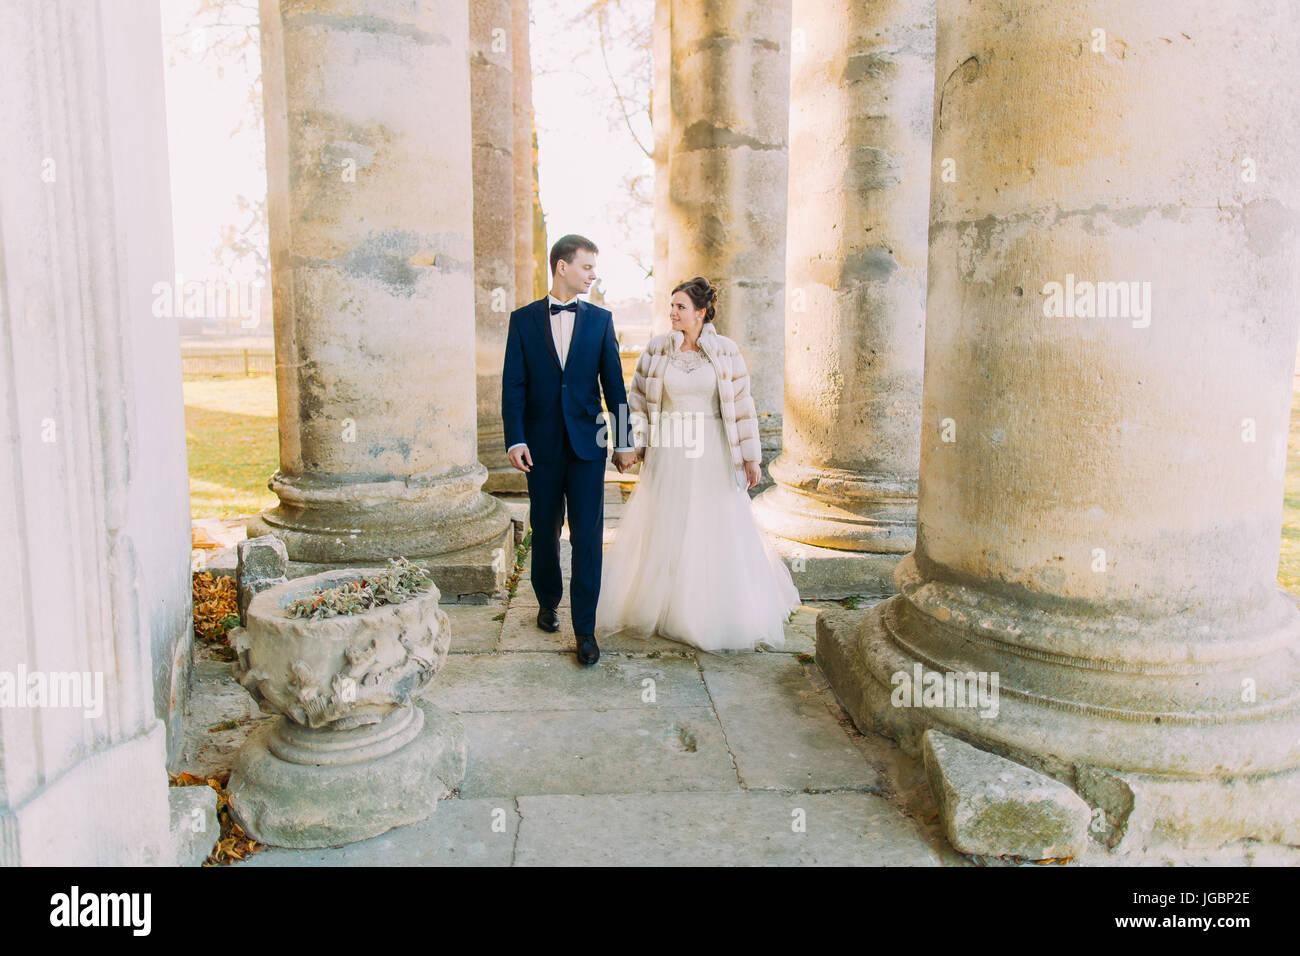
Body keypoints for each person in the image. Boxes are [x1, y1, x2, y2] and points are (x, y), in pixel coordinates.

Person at [595, 276, 801, 652]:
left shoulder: (725, 351)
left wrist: (751, 457)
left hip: (713, 450)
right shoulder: (657, 350)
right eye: (671, 306)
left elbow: (742, 404)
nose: (672, 313)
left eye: (680, 307)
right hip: (669, 450)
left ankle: (712, 609)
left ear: (701, 313)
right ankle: (665, 607)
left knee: (712, 523)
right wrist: (630, 447)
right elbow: (637, 402)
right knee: (668, 522)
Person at [501, 234, 637, 666]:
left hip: (587, 448)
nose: (593, 275)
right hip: (538, 449)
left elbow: (614, 386)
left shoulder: (600, 321)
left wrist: (623, 441)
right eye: (586, 267)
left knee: (588, 538)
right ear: (562, 266)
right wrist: (515, 438)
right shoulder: (522, 321)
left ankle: (585, 629)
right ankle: (547, 600)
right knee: (544, 531)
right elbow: (513, 387)